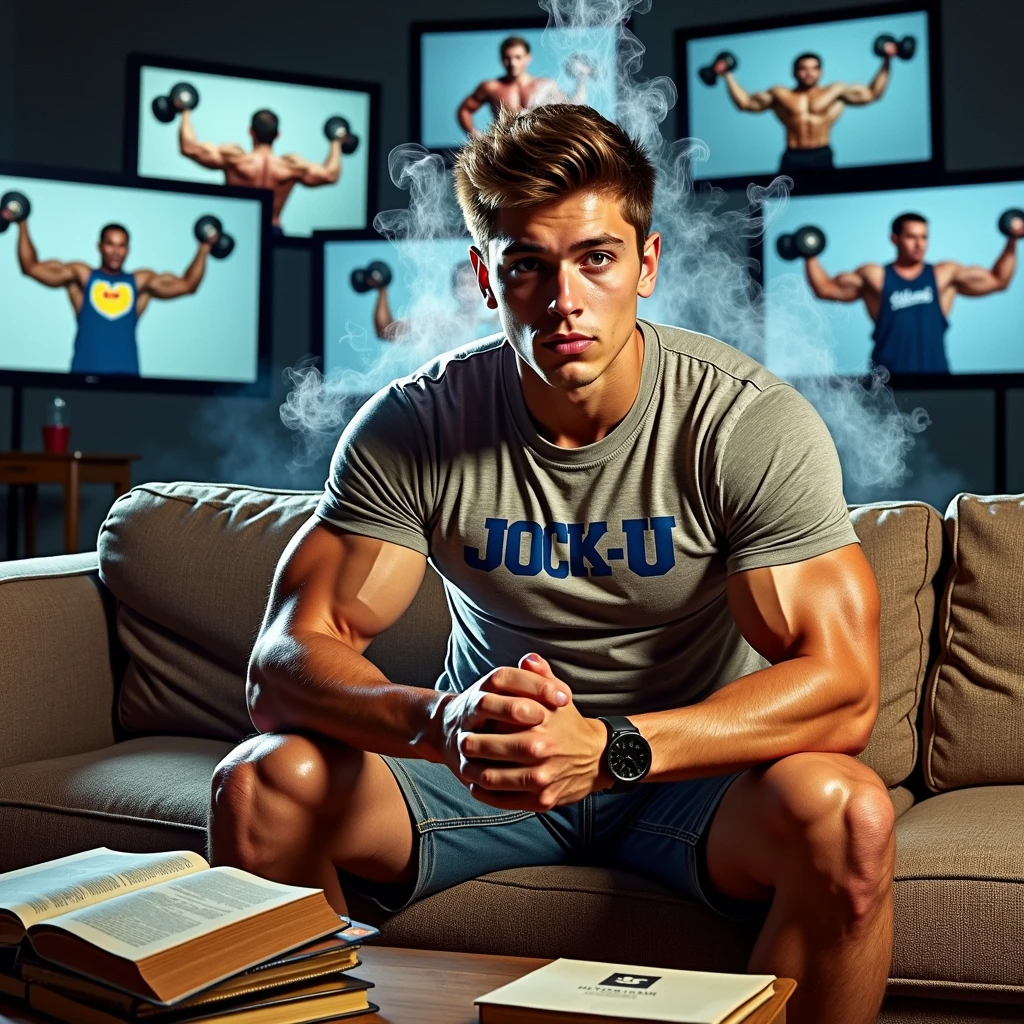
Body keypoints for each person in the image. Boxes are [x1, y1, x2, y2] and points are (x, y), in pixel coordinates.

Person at [210, 103, 893, 1024]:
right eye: (527, 264)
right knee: (261, 782)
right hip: (483, 776)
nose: (564, 299)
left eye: (596, 259)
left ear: (645, 266)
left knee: (847, 813)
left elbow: (844, 691)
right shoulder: (418, 423)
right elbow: (283, 666)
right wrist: (442, 722)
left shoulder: (745, 423)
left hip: (681, 783)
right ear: (484, 278)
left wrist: (611, 750)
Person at [805, 211, 1022, 374]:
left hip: (937, 380)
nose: (920, 244)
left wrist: (1012, 241)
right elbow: (825, 289)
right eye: (911, 237)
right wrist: (808, 253)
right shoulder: (875, 276)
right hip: (885, 383)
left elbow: (998, 280)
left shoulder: (943, 275)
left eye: (924, 237)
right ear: (895, 239)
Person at [14, 218, 212, 375]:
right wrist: (22, 223)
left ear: (128, 249)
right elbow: (31, 267)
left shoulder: (141, 282)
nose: (116, 251)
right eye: (110, 244)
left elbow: (188, 285)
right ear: (99, 246)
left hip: (127, 380)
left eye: (121, 246)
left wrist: (204, 248)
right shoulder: (81, 277)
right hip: (83, 376)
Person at [720, 50, 893, 176]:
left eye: (814, 68)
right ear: (794, 72)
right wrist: (726, 74)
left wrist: (887, 59)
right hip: (792, 156)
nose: (808, 73)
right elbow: (745, 103)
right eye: (803, 68)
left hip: (822, 155)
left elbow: (872, 94)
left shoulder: (835, 91)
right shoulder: (781, 94)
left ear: (820, 71)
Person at [179, 108, 340, 236]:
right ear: (278, 135)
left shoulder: (235, 161)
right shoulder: (291, 168)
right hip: (272, 231)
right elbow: (330, 174)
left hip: (240, 230)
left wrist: (186, 109)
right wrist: (336, 141)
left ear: (250, 131)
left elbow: (188, 147)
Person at [457, 36, 590, 137]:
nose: (512, 63)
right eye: (507, 58)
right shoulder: (491, 87)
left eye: (518, 57)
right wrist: (476, 137)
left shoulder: (545, 85)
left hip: (538, 147)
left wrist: (581, 80)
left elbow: (573, 106)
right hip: (506, 151)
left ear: (528, 58)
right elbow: (465, 110)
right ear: (501, 59)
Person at [372, 259, 501, 341]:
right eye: (462, 283)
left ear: (485, 288)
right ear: (454, 290)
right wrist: (382, 290)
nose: (467, 289)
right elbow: (385, 330)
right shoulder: (442, 323)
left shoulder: (501, 322)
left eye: (473, 283)